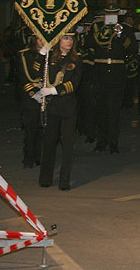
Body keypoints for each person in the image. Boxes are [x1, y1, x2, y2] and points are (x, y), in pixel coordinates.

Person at [37, 30, 82, 190]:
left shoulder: (76, 60)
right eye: (65, 38)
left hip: (68, 107)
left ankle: (64, 180)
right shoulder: (49, 58)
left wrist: (53, 91)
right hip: (52, 107)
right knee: (49, 143)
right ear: (58, 40)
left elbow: (74, 84)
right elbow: (38, 74)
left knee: (68, 144)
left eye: (71, 38)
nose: (69, 41)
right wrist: (42, 52)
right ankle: (45, 178)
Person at [89, 3, 137, 153]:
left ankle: (113, 142)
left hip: (117, 72)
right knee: (100, 108)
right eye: (108, 14)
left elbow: (133, 49)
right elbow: (88, 45)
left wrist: (120, 35)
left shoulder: (125, 29)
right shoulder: (97, 28)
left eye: (114, 14)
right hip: (100, 72)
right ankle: (101, 140)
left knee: (114, 109)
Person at [17, 34, 44, 168]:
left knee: (42, 128)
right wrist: (33, 93)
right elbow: (25, 76)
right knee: (30, 128)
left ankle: (39, 156)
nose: (42, 42)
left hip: (46, 94)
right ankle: (28, 158)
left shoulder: (51, 55)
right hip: (30, 96)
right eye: (40, 39)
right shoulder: (25, 55)